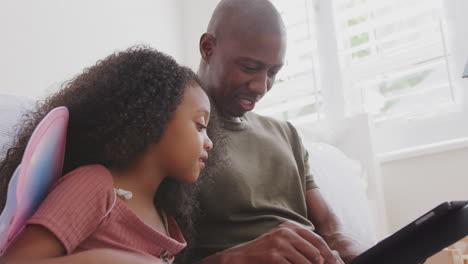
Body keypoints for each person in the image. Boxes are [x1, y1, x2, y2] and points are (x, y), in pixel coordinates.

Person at [0, 46, 214, 264]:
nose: (210, 142)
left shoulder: (165, 218)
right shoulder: (94, 186)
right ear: (153, 118)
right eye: (200, 126)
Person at [190, 0, 367, 263]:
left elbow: (330, 228)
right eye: (249, 68)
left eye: (273, 72)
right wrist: (243, 257)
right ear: (208, 48)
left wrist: (363, 252)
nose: (261, 87)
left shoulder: (286, 134)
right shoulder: (178, 130)